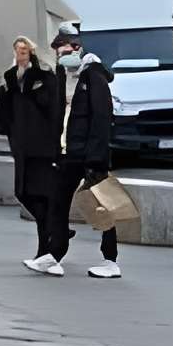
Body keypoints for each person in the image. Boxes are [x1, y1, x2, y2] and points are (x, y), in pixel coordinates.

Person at [0, 37, 73, 274]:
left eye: (24, 50)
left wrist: (55, 144)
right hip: (21, 147)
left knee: (43, 197)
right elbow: (5, 110)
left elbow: (53, 110)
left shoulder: (44, 77)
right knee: (23, 193)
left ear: (31, 52)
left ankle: (47, 247)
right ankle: (55, 231)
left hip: (42, 147)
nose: (20, 54)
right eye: (17, 50)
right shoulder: (10, 77)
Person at [65, 52, 122, 279]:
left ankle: (110, 260)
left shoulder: (93, 80)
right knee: (98, 204)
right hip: (84, 154)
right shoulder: (89, 79)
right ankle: (53, 251)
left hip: (89, 156)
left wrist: (94, 158)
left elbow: (99, 120)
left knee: (103, 206)